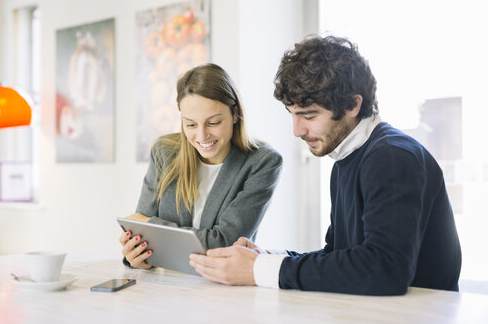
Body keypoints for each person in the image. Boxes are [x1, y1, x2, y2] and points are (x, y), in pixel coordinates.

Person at [189, 36, 462, 295]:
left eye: (308, 115)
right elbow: (338, 256)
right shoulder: (347, 157)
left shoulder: (392, 157)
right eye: (293, 115)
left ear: (354, 104)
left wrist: (261, 270)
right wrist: (265, 258)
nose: (297, 130)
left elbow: (385, 269)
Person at [119, 63, 282, 269]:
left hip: (222, 289)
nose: (202, 136)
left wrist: (151, 225)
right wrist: (136, 257)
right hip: (164, 287)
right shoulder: (164, 152)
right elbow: (140, 235)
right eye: (191, 124)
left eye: (213, 122)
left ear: (234, 114)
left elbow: (224, 244)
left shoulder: (262, 163)